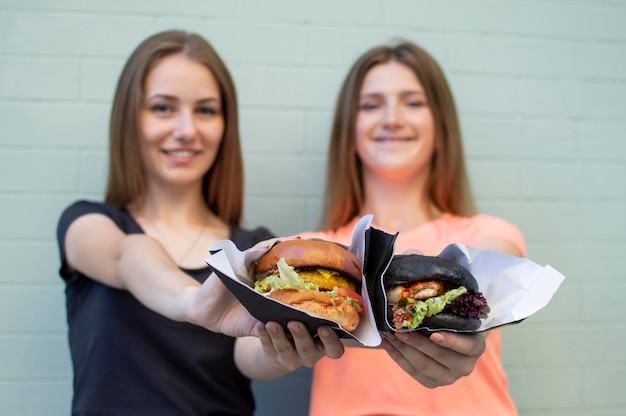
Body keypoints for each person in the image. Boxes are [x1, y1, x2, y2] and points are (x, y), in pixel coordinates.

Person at [55, 30, 344, 416]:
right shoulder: (90, 224)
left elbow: (247, 355)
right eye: (163, 108)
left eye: (205, 110)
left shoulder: (252, 250)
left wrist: (282, 350)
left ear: (225, 125)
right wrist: (190, 302)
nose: (186, 130)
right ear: (130, 118)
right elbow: (129, 256)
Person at [299, 40, 526, 415]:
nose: (392, 119)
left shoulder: (486, 233)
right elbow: (246, 353)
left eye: (414, 102)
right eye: (372, 105)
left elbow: (495, 270)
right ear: (349, 130)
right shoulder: (320, 255)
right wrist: (276, 350)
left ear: (440, 124)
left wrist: (468, 334)